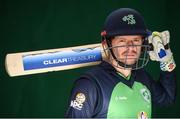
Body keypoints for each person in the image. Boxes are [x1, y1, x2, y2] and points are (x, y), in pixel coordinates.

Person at [65, 8, 176, 118]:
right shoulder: (90, 85)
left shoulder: (142, 77)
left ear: (143, 43)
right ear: (106, 44)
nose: (131, 47)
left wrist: (167, 61)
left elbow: (167, 99)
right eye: (122, 41)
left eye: (136, 40)